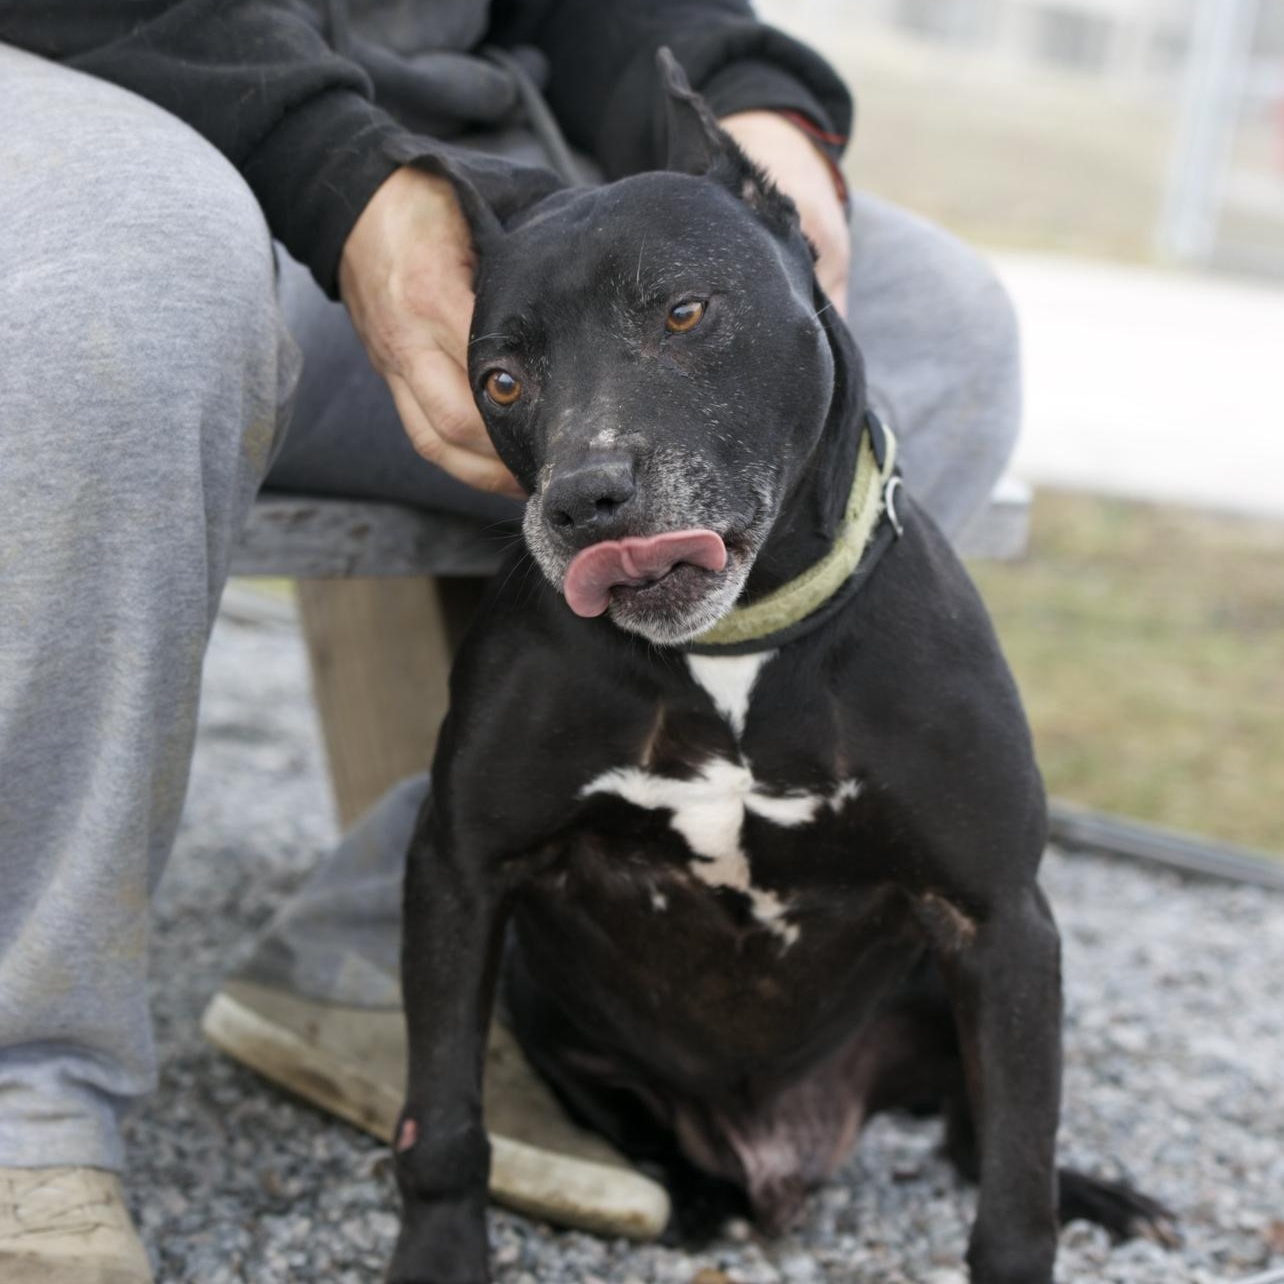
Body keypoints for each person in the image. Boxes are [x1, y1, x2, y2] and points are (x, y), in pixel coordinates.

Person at [0, 2, 1021, 1279]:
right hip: (95, 109)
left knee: (942, 329)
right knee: (120, 289)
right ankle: (23, 1102)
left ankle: (408, 938)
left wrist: (748, 98)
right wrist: (341, 174)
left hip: (467, 160)